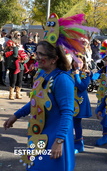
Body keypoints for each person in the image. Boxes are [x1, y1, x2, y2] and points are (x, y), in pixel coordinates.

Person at [3, 41, 75, 170]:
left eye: (41, 54)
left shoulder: (63, 79)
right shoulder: (41, 74)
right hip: (40, 131)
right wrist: (16, 115)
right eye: (36, 52)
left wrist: (59, 141)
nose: (36, 57)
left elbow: (68, 112)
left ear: (54, 59)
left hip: (56, 134)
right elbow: (35, 101)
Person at [69, 55, 92, 153]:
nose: (77, 64)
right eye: (75, 61)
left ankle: (79, 144)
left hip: (80, 102)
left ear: (83, 63)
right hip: (69, 100)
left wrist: (77, 75)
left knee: (77, 123)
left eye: (79, 62)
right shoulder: (68, 72)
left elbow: (82, 87)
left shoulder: (86, 74)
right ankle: (69, 142)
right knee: (68, 122)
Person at [5, 33, 29, 100]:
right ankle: (11, 94)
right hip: (13, 68)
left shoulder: (22, 50)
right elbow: (15, 55)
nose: (17, 44)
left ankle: (18, 93)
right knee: (13, 81)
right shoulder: (10, 51)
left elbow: (27, 58)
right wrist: (15, 47)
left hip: (20, 67)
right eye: (16, 43)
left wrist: (23, 61)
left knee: (19, 81)